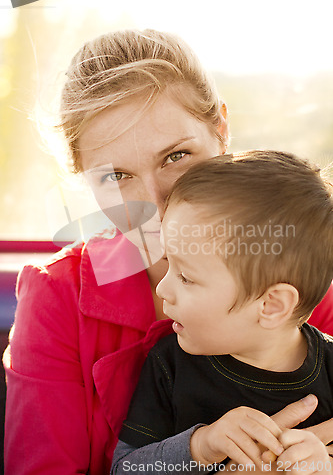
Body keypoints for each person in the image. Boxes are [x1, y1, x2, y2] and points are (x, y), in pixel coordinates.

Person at [3, 30, 333, 475]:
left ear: (221, 129)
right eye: (117, 177)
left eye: (175, 156)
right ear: (83, 178)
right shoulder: (58, 296)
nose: (156, 205)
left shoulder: (291, 264)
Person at [112, 150, 333, 475]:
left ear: (271, 305)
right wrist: (200, 446)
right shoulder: (169, 364)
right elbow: (124, 469)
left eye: (186, 277)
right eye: (167, 264)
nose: (163, 290)